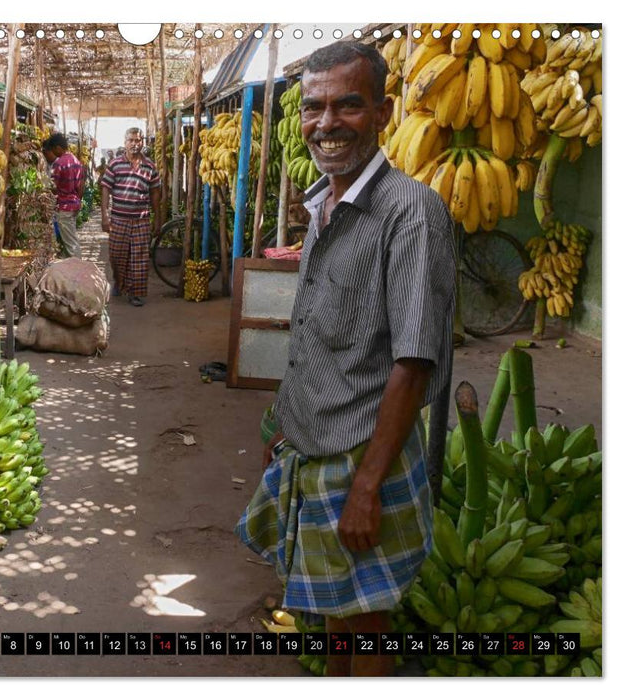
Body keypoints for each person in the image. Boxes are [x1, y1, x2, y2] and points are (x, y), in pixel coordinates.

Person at [235, 42, 456, 677]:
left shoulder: (410, 211)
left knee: (366, 620)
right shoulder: (325, 203)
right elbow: (317, 333)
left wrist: (368, 486)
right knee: (335, 607)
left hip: (364, 453)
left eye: (347, 106)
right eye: (313, 107)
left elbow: (414, 360)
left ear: (385, 112)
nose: (325, 123)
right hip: (315, 443)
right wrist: (285, 421)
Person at [100, 128, 162, 307]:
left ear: (142, 142)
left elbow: (155, 194)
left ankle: (135, 292)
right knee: (116, 256)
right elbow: (106, 189)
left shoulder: (150, 166)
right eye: (131, 140)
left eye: (138, 140)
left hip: (141, 220)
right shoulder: (115, 164)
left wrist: (157, 219)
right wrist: (105, 216)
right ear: (125, 142)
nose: (135, 143)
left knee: (140, 258)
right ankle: (119, 282)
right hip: (119, 219)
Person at [43, 132, 86, 258]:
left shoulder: (59, 163)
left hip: (65, 206)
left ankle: (77, 268)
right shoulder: (76, 161)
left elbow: (53, 187)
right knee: (71, 237)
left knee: (70, 243)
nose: (53, 153)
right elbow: (81, 185)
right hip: (74, 204)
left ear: (58, 147)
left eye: (53, 150)